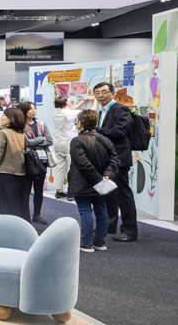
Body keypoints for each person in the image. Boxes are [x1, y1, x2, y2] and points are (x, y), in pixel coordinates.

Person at [69, 109, 121, 252]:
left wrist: (98, 179)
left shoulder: (77, 141)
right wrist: (106, 176)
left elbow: (82, 163)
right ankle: (100, 242)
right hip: (101, 183)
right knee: (101, 210)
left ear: (80, 123)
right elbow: (115, 160)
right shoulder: (105, 140)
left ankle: (86, 243)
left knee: (85, 210)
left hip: (82, 182)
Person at [93, 82, 137, 242]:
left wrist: (96, 131)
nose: (101, 95)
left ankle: (129, 230)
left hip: (118, 158)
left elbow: (120, 131)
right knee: (107, 194)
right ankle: (109, 226)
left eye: (104, 92)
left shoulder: (120, 109)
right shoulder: (102, 111)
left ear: (112, 93)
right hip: (105, 158)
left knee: (122, 194)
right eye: (97, 93)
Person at [0, 108, 30, 220]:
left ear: (11, 119)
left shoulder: (3, 133)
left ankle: (7, 228)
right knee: (20, 205)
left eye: (3, 116)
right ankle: (23, 227)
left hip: (5, 174)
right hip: (22, 174)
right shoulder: (22, 134)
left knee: (5, 206)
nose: (1, 118)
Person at [19, 101, 54, 224]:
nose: (33, 111)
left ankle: (37, 215)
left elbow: (50, 141)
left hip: (42, 160)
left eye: (34, 108)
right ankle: (25, 216)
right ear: (24, 111)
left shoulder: (42, 124)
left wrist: (33, 142)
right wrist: (41, 139)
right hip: (28, 160)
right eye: (30, 109)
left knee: (39, 190)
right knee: (26, 190)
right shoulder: (20, 126)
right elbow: (24, 143)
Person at [52, 96, 84, 199]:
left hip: (58, 143)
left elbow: (72, 108)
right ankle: (71, 192)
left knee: (60, 167)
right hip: (69, 142)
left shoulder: (56, 113)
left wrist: (83, 101)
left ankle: (59, 191)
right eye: (69, 100)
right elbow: (88, 112)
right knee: (72, 167)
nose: (71, 101)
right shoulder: (70, 113)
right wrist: (94, 101)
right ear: (66, 102)